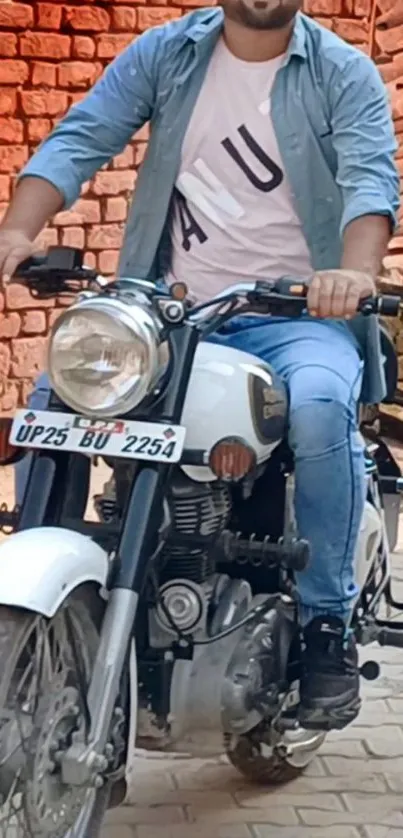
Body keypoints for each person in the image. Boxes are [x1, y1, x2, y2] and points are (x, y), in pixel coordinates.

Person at [0, 0, 399, 731]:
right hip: (172, 307)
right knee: (60, 396)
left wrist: (353, 274)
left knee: (318, 408)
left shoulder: (342, 71)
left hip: (297, 315)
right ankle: (36, 619)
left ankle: (323, 629)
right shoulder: (167, 53)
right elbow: (82, 136)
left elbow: (370, 181)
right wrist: (17, 232)